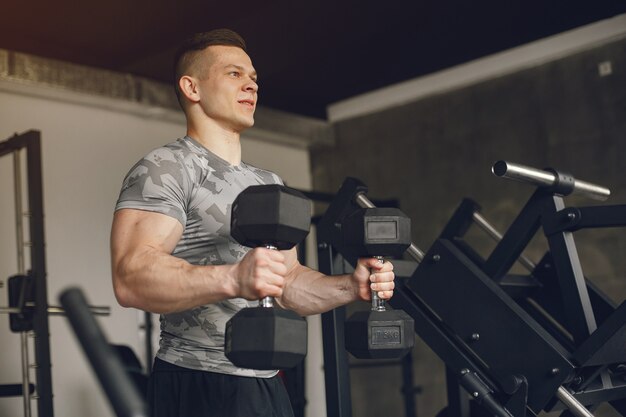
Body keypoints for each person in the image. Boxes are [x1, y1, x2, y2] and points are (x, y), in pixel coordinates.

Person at [110, 28, 396, 417]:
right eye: (234, 74)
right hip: (197, 379)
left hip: (264, 382)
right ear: (191, 87)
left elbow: (288, 283)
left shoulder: (268, 183)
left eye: (254, 78)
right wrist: (233, 279)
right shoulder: (167, 167)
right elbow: (131, 277)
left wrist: (350, 285)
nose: (251, 85)